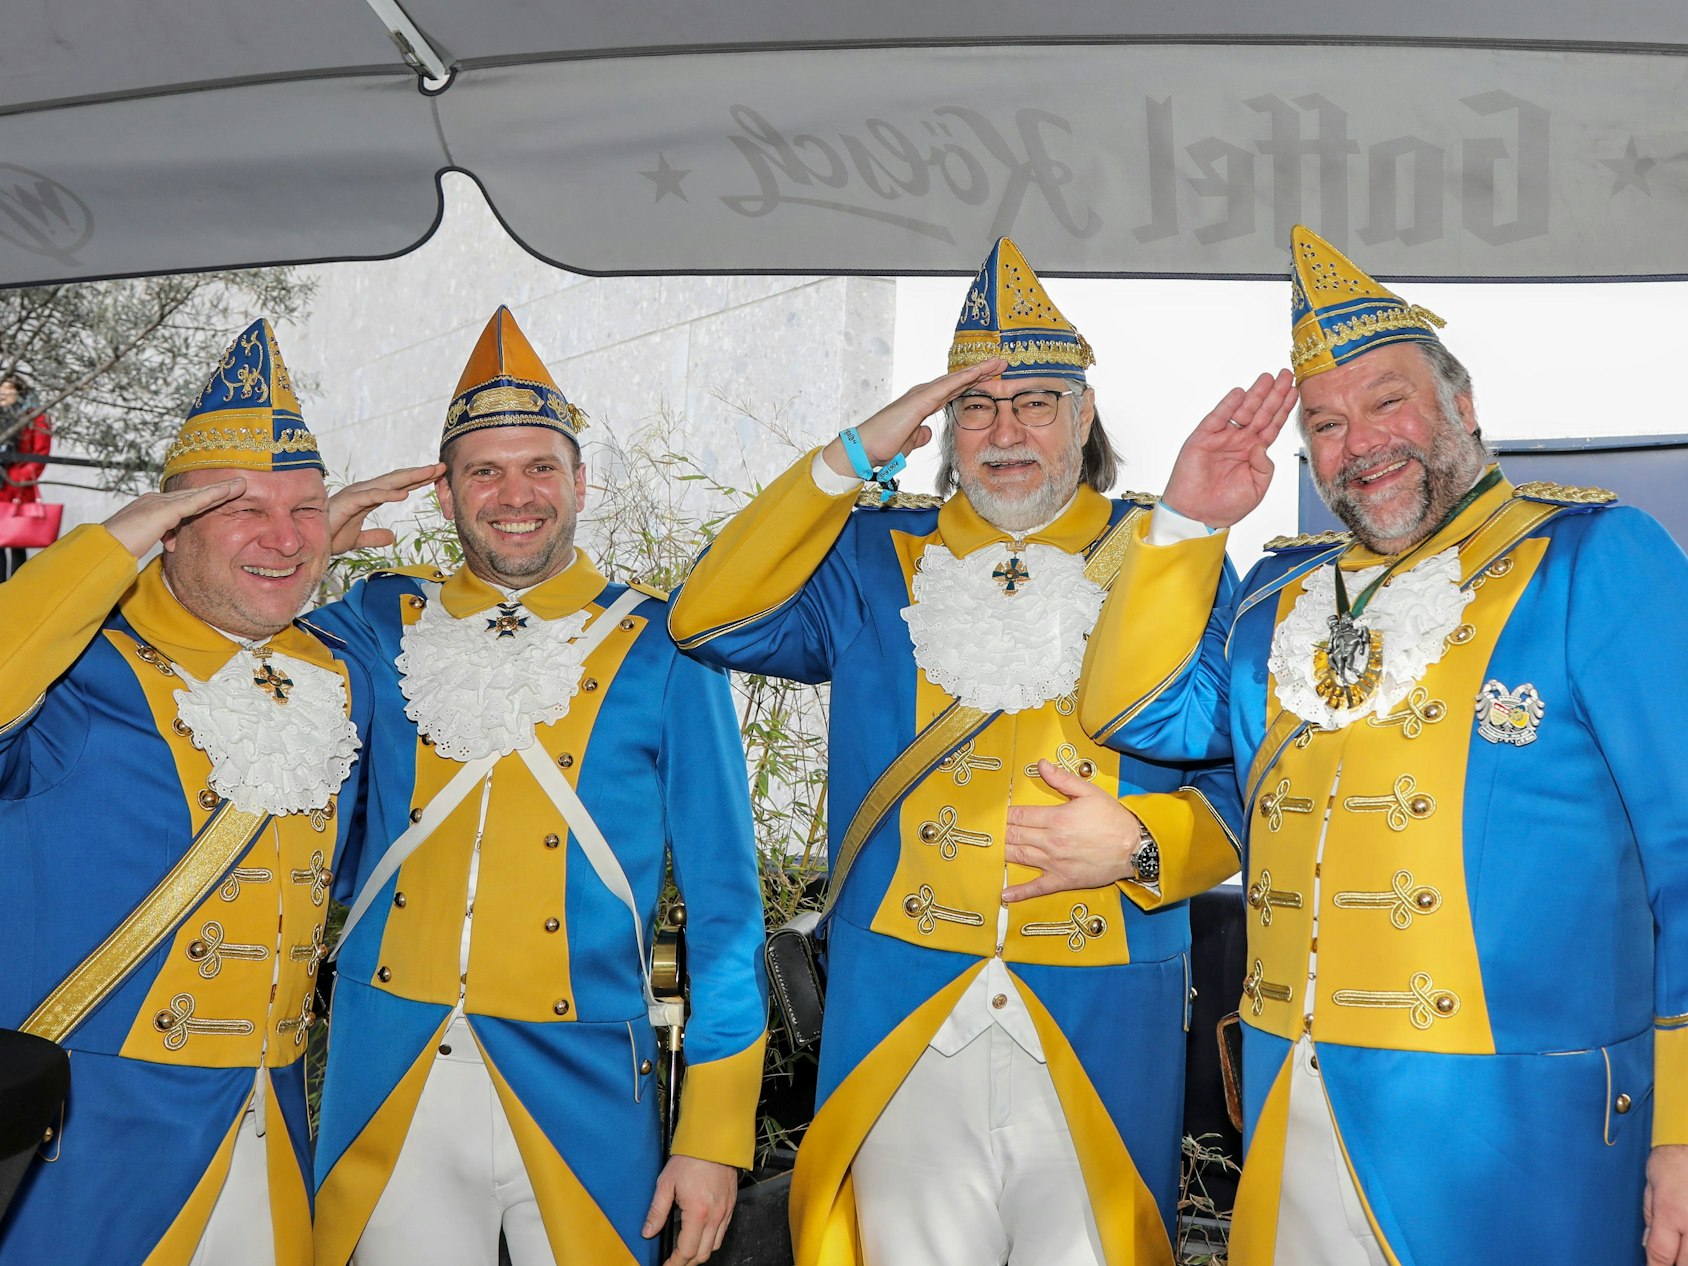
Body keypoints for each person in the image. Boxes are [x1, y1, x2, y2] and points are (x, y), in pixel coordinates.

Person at [1078, 224, 1688, 1266]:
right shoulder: (1277, 593)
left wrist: (1680, 1128)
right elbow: (1132, 716)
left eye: (1384, 401)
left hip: (1509, 1139)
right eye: (1321, 424)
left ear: (1461, 408)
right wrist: (1184, 525)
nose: (1356, 443)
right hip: (1289, 1112)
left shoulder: (1593, 557)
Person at [669, 238, 1265, 1266]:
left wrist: (1141, 842)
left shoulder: (1171, 549)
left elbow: (1247, 772)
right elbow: (707, 619)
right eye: (975, 409)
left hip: (1101, 1000)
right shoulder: (871, 554)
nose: (1003, 431)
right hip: (901, 1000)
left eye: (1035, 402)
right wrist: (852, 455)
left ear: (1083, 420)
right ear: (942, 430)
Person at [309, 307, 768, 1266]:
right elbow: (226, 646)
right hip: (389, 1069)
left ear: (580, 483)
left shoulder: (668, 644)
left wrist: (714, 1135)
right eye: (484, 469)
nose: (514, 495)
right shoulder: (379, 618)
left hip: (588, 1080)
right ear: (445, 494)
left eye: (540, 467)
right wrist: (317, 537)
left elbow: (728, 911)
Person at [0, 319, 372, 1266]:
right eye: (241, 507)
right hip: (84, 1143)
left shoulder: (333, 672)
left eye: (307, 509)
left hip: (272, 1126)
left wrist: (282, 545)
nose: (285, 537)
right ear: (170, 528)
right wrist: (113, 539)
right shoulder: (79, 668)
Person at [0, 371, 55, 577]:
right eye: (1, 387)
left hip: (17, 488)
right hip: (1, 486)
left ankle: (14, 587)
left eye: (8, 387)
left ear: (19, 391)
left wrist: (20, 478)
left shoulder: (35, 417)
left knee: (17, 539)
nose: (2, 392)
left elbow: (40, 453)